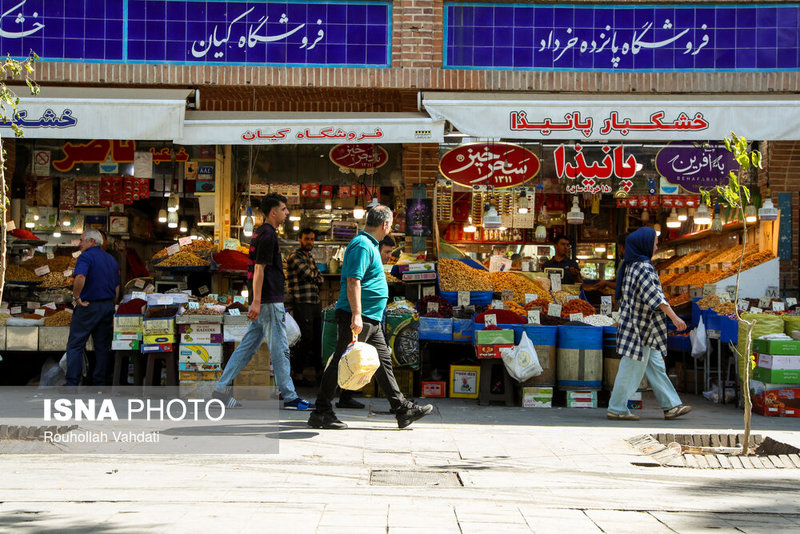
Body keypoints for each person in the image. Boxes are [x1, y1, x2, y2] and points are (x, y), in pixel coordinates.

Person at [308, 205, 433, 429]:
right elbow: (353, 281)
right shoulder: (362, 245)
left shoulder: (369, 245)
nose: (391, 227)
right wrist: (356, 314)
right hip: (359, 316)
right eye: (391, 224)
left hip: (370, 317)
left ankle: (402, 410)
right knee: (340, 361)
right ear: (385, 225)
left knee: (383, 362)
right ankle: (321, 412)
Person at [213, 193, 314, 410]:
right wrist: (257, 302)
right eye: (284, 209)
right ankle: (290, 397)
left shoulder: (261, 234)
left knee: (246, 348)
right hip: (268, 302)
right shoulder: (268, 236)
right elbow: (259, 270)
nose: (287, 213)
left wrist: (255, 302)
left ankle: (219, 391)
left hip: (264, 302)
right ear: (273, 212)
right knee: (280, 350)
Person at [607, 227, 692, 421]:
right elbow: (655, 296)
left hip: (643, 326)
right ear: (644, 244)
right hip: (641, 327)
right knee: (631, 367)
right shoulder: (643, 267)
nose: (656, 246)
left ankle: (671, 406)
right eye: (654, 243)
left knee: (655, 365)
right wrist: (675, 317)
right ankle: (617, 408)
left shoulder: (631, 265)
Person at [65, 230, 120, 386]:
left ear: (91, 241)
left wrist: (76, 298)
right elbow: (116, 287)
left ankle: (72, 383)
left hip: (88, 306)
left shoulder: (86, 256)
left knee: (76, 344)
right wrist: (110, 304)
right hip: (107, 306)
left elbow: (80, 277)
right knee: (102, 347)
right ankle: (100, 383)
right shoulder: (111, 259)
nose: (80, 243)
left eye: (82, 240)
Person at [287, 227, 324, 385]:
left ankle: (318, 373)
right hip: (302, 302)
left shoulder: (309, 257)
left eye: (312, 239)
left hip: (314, 302)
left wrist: (315, 276)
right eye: (307, 239)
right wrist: (315, 276)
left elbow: (320, 279)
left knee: (316, 338)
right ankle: (298, 374)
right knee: (304, 338)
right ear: (300, 239)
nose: (310, 242)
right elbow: (309, 275)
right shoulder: (294, 256)